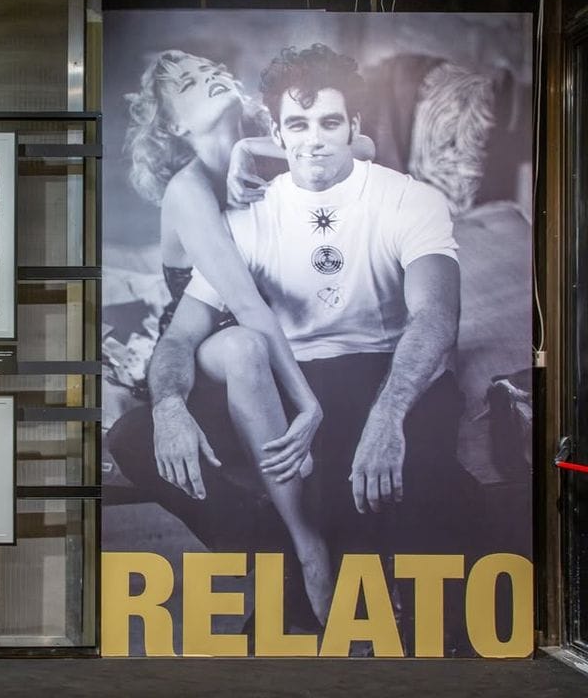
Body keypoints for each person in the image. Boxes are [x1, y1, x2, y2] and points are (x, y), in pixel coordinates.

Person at [115, 43, 474, 631]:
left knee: (399, 487)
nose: (202, 74)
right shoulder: (195, 193)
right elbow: (241, 308)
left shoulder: (276, 147)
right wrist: (294, 403)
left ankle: (331, 570)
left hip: (284, 344)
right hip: (232, 334)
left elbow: (356, 149)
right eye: (181, 80)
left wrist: (250, 148)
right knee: (180, 398)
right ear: (173, 124)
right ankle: (292, 549)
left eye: (203, 67)